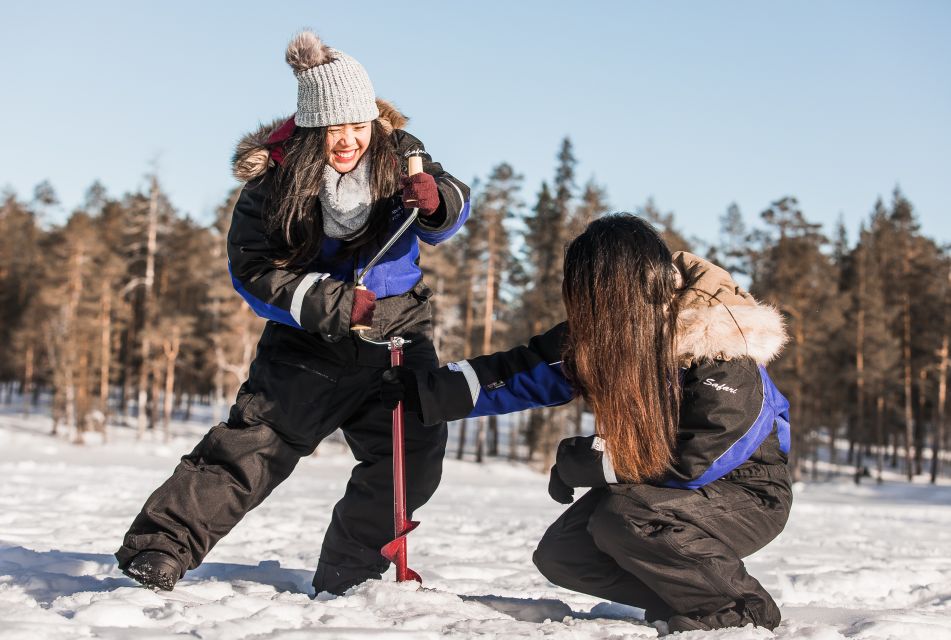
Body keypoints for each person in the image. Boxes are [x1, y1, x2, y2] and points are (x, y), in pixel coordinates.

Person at [115, 30, 470, 596]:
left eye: (359, 125)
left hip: (397, 340)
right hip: (308, 344)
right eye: (336, 128)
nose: (349, 139)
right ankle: (161, 546)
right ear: (312, 128)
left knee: (410, 466)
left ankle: (350, 574)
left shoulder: (404, 153)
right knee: (251, 449)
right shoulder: (273, 181)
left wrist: (438, 199)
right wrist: (333, 303)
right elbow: (252, 270)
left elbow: (449, 209)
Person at [382, 215, 792, 632]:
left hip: (746, 491)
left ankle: (742, 608)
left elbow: (696, 459)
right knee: (565, 553)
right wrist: (428, 390)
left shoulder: (720, 348)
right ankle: (693, 598)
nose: (588, 310)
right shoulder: (615, 333)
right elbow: (524, 372)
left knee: (624, 517)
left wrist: (587, 462)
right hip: (655, 488)